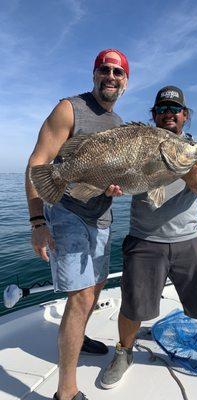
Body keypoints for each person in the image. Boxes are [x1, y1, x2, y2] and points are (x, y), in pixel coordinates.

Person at [100, 86, 197, 396]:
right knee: (132, 307)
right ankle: (124, 352)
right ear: (153, 116)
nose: (168, 114)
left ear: (185, 116)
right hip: (144, 239)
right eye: (161, 110)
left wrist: (179, 161)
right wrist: (111, 184)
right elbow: (120, 178)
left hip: (189, 240)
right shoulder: (138, 147)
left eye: (174, 110)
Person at [25, 49, 128, 400]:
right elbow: (38, 163)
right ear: (94, 74)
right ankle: (65, 392)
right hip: (65, 212)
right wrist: (38, 220)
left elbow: (116, 179)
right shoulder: (69, 108)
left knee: (96, 286)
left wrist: (118, 187)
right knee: (82, 296)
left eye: (118, 72)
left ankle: (78, 338)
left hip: (101, 217)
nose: (111, 76)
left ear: (125, 82)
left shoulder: (118, 126)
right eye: (105, 70)